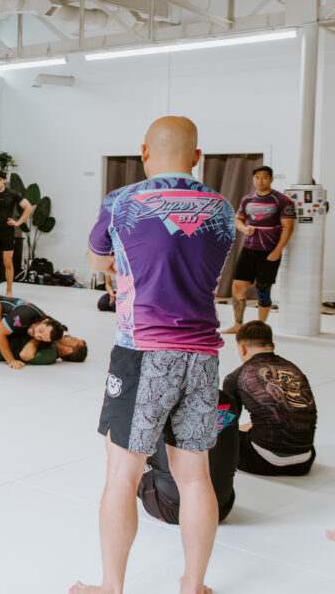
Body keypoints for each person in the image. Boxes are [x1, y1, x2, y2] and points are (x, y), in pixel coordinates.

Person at [74, 116, 235, 594]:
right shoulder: (223, 208)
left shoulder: (122, 202)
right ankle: (193, 585)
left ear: (145, 152)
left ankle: (111, 588)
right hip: (203, 354)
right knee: (195, 477)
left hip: (143, 351)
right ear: (197, 157)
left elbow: (96, 258)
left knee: (122, 475)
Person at [223, 321, 316, 476]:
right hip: (304, 460)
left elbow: (225, 426)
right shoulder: (295, 370)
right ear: (271, 345)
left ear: (242, 348)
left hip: (263, 461)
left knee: (219, 433)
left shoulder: (236, 377)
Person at [137, 390, 241, 525]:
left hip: (170, 509)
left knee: (130, 463)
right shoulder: (227, 399)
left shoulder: (163, 398)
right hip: (220, 508)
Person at [222, 166, 295, 333]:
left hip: (269, 251)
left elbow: (289, 227)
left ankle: (261, 327)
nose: (260, 181)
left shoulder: (282, 200)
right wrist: (244, 229)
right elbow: (238, 219)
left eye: (264, 177)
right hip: (249, 249)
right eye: (257, 177)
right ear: (253, 179)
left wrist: (278, 250)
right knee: (238, 287)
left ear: (271, 179)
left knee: (263, 290)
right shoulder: (247, 199)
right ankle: (238, 324)